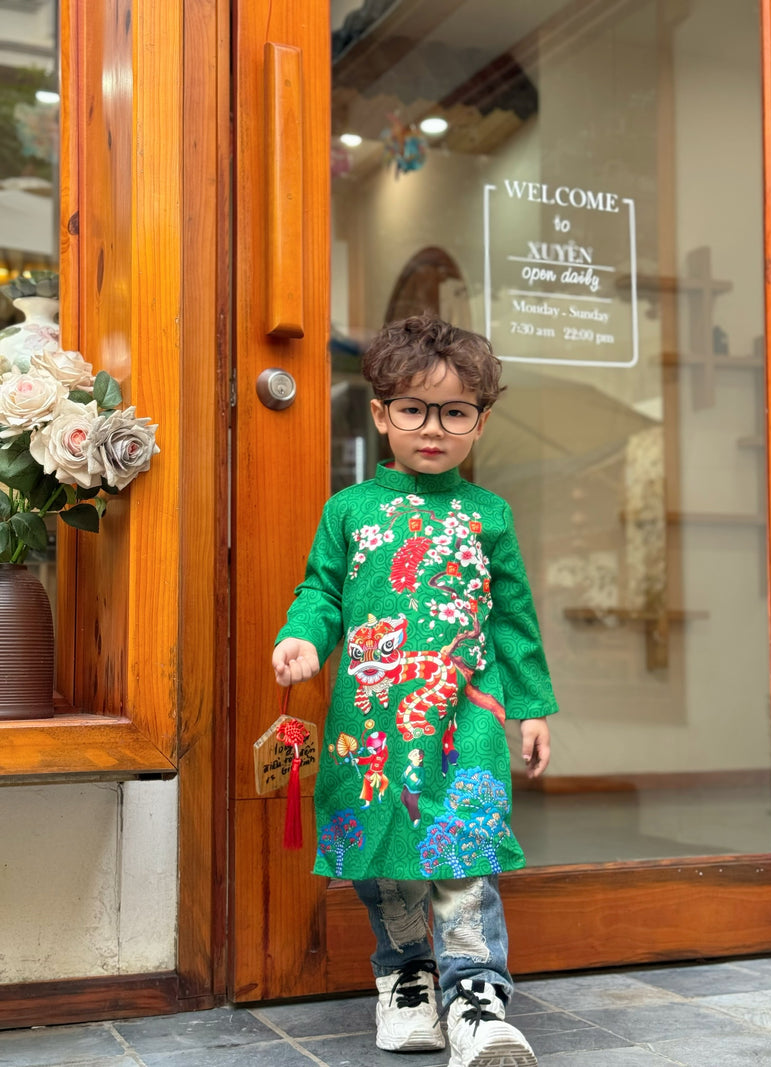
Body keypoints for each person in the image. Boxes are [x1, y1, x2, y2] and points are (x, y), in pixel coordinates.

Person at [272, 313, 557, 1067]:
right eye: (414, 409)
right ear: (382, 413)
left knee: (462, 849)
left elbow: (515, 620)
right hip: (370, 720)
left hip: (469, 714)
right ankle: (405, 977)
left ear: (480, 420)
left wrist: (530, 707)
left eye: (455, 411)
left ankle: (477, 996)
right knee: (387, 859)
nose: (433, 428)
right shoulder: (349, 511)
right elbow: (323, 592)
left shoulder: (488, 516)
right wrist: (304, 637)